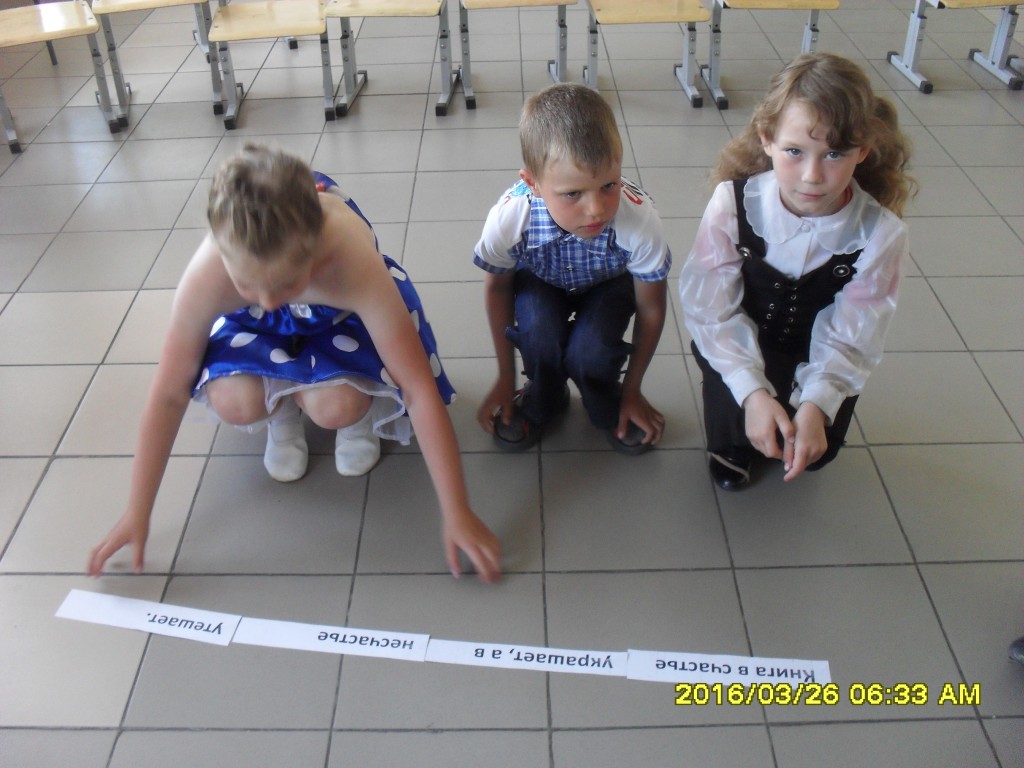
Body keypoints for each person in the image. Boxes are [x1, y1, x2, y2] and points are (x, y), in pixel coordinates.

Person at [88, 143, 501, 582]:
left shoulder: (351, 260)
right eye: (247, 285)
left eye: (286, 283)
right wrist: (137, 511)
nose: (268, 302)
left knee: (337, 407)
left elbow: (416, 389)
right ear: (222, 253)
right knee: (234, 400)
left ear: (315, 243)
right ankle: (281, 409)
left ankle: (356, 417)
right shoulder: (208, 273)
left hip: (336, 319)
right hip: (260, 325)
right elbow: (169, 394)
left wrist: (457, 510)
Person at [680, 53, 914, 491]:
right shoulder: (732, 203)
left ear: (862, 151)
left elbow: (854, 334)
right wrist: (752, 391)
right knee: (737, 429)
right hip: (740, 337)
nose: (811, 175)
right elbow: (710, 308)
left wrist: (816, 404)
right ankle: (735, 430)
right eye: (794, 151)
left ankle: (793, 408)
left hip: (817, 353)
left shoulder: (881, 234)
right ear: (767, 139)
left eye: (834, 154)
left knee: (817, 450)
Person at [473, 83, 671, 454]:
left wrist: (634, 391)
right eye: (572, 193)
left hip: (610, 283)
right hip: (541, 279)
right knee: (538, 334)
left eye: (609, 185)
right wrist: (505, 377)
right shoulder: (509, 219)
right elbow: (497, 288)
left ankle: (608, 397)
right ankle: (545, 394)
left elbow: (651, 307)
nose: (596, 209)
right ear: (532, 183)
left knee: (590, 353)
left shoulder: (640, 221)